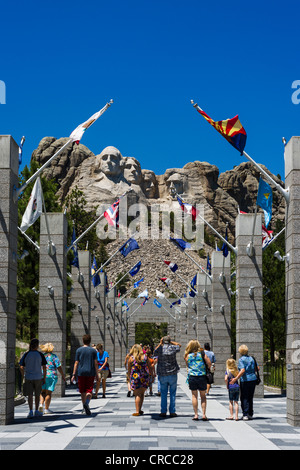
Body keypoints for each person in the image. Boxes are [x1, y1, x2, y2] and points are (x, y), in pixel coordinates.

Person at [230, 344, 259, 420]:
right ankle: (250, 413)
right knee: (250, 397)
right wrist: (251, 371)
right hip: (253, 379)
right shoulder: (252, 358)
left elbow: (242, 370)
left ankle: (245, 414)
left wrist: (236, 378)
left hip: (245, 380)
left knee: (244, 397)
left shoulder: (241, 359)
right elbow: (257, 368)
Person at [71, 334, 99, 416]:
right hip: (90, 372)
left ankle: (84, 407)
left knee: (82, 391)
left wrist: (73, 374)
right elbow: (96, 363)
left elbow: (76, 363)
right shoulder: (93, 351)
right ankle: (87, 403)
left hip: (81, 372)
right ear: (90, 341)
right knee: (89, 391)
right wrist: (97, 374)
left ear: (83, 341)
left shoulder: (78, 350)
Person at [19, 338, 47, 418]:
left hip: (28, 377)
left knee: (30, 395)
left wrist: (23, 375)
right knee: (37, 395)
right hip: (38, 377)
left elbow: (21, 367)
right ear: (37, 346)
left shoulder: (26, 354)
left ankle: (30, 411)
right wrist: (44, 377)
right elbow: (44, 367)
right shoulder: (40, 355)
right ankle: (36, 411)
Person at [154, 336, 181, 418]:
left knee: (163, 393)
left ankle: (163, 411)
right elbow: (179, 345)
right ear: (169, 341)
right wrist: (171, 342)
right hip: (172, 373)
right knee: (173, 393)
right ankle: (172, 411)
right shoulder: (173, 348)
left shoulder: (160, 349)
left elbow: (154, 352)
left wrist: (160, 343)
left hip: (162, 374)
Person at [184, 340, 211, 421]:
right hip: (202, 376)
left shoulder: (187, 356)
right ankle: (203, 414)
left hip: (192, 377)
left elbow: (188, 366)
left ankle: (196, 415)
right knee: (203, 396)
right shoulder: (202, 354)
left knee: (194, 396)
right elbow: (209, 363)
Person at [39, 343, 66, 414]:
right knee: (48, 393)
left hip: (42, 375)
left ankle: (41, 404)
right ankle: (46, 409)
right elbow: (58, 366)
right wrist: (63, 375)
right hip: (51, 376)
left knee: (42, 391)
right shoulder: (54, 356)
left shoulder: (42, 356)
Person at [127, 344, 154, 416]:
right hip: (144, 377)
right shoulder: (145, 357)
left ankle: (137, 411)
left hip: (135, 378)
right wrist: (152, 375)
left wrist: (129, 378)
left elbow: (129, 370)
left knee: (137, 395)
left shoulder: (131, 358)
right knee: (142, 394)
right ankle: (140, 409)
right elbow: (150, 367)